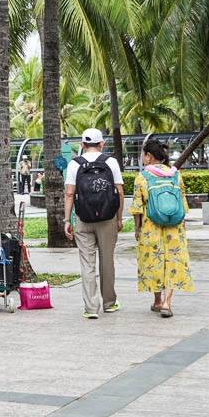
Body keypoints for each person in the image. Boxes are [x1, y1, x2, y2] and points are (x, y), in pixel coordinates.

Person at [64, 128, 125, 319]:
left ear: (82, 145)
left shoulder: (75, 164)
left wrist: (67, 220)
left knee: (87, 263)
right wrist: (119, 217)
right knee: (107, 261)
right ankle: (109, 303)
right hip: (108, 219)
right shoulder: (110, 162)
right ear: (101, 144)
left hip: (83, 219)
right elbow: (120, 192)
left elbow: (69, 194)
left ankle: (91, 308)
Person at [130, 141, 193, 318]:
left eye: (144, 155)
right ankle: (167, 302)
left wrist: (137, 229)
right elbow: (183, 202)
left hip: (151, 226)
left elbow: (137, 207)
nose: (143, 158)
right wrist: (182, 223)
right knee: (173, 260)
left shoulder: (142, 176)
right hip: (175, 226)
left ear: (149, 156)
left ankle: (157, 301)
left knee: (154, 260)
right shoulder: (175, 174)